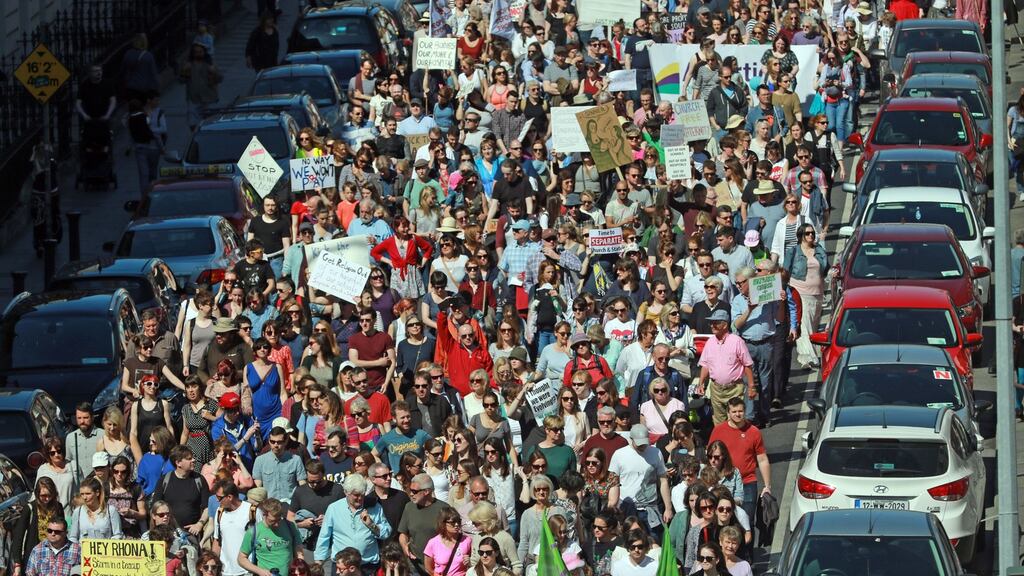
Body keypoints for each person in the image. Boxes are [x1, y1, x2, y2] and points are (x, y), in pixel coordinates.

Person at [708, 398, 772, 522]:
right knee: (726, 521)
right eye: (734, 411)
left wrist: (767, 485)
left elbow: (762, 459)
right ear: (728, 413)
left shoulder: (754, 432)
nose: (738, 414)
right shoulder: (718, 431)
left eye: (740, 411)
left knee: (747, 520)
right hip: (724, 482)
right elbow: (710, 457)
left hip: (748, 482)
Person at [315, 474, 392, 572]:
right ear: (346, 492)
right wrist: (318, 562)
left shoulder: (374, 507)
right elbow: (324, 536)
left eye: (362, 494)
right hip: (341, 568)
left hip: (367, 567)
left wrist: (371, 525)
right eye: (356, 495)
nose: (360, 498)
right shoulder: (334, 509)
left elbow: (386, 533)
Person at [695, 310, 756, 426]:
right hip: (716, 389)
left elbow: (747, 365)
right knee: (719, 422)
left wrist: (751, 387)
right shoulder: (710, 342)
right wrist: (701, 383)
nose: (712, 325)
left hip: (734, 389)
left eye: (716, 323)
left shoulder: (737, 341)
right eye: (711, 323)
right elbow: (705, 364)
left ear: (725, 325)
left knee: (736, 420)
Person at [398, 474, 452, 574]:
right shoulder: (409, 507)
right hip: (415, 566)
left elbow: (453, 537)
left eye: (414, 491)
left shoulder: (444, 509)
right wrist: (405, 546)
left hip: (438, 566)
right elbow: (403, 533)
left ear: (426, 491)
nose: (410, 494)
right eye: (410, 490)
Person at [238, 498, 303, 576]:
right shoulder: (253, 532)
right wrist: (259, 571)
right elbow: (241, 559)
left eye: (279, 520)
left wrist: (300, 569)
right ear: (264, 514)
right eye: (272, 521)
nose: (277, 524)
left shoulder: (290, 526)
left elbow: (299, 553)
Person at [211, 482, 260, 576]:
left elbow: (262, 539)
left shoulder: (253, 511)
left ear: (229, 497)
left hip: (248, 571)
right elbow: (217, 541)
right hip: (226, 572)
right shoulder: (219, 512)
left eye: (219, 497)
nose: (217, 501)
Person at [253, 425, 307, 503]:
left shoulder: (296, 460)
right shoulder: (260, 460)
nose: (276, 445)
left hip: (290, 504)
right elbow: (258, 488)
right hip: (269, 504)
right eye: (273, 442)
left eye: (279, 442)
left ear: (285, 441)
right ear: (269, 441)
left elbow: (302, 485)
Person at [68, 477, 122, 542]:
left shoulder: (111, 510)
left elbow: (117, 535)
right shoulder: (78, 512)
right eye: (82, 494)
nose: (84, 497)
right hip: (83, 551)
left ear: (97, 493)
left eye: (88, 494)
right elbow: (73, 537)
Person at [65, 402, 104, 480]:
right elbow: (68, 463)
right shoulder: (70, 438)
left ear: (92, 417)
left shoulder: (103, 435)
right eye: (79, 418)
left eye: (86, 418)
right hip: (78, 484)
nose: (82, 421)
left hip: (97, 482)